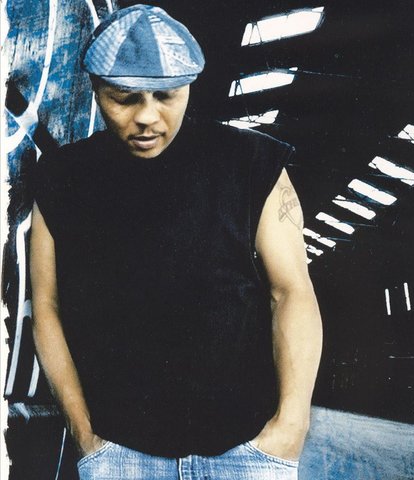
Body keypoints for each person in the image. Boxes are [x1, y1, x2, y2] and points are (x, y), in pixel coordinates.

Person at [29, 5, 322, 479]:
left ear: (189, 87)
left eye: (166, 96)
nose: (147, 117)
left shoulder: (253, 163)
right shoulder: (62, 178)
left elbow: (292, 292)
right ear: (96, 90)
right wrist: (86, 438)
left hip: (246, 453)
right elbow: (47, 306)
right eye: (124, 99)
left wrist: (291, 426)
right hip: (120, 456)